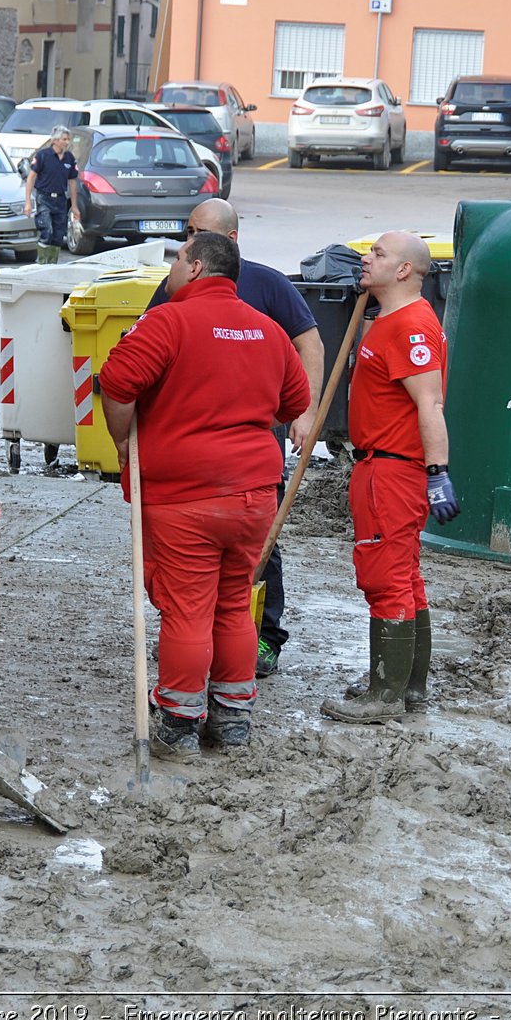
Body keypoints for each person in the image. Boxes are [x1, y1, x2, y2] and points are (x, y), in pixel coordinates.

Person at [100, 231, 309, 760]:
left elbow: (118, 385)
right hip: (253, 493)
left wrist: (123, 444)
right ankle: (233, 717)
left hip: (185, 495)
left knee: (188, 608)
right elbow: (293, 404)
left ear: (195, 268)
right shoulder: (268, 330)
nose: (170, 272)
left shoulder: (167, 321)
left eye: (176, 261)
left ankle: (179, 720)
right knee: (234, 602)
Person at [146, 199, 324, 680]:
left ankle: (265, 636)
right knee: (194, 565)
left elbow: (310, 342)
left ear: (231, 239)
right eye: (187, 231)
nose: (187, 242)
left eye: (199, 232)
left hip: (252, 450)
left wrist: (305, 414)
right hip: (192, 452)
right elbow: (141, 357)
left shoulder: (266, 284)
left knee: (261, 547)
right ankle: (199, 643)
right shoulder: (174, 286)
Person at [320, 232, 459, 725]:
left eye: (378, 254)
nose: (366, 258)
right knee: (405, 576)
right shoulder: (390, 319)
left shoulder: (411, 326)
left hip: (392, 470)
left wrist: (438, 472)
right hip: (385, 466)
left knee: (386, 578)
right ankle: (407, 687)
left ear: (404, 270)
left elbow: (431, 403)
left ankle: (385, 695)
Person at [21, 126, 80, 264]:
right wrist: (28, 202)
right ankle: (41, 263)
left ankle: (52, 264)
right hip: (44, 198)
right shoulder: (43, 155)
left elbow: (72, 182)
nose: (67, 142)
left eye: (68, 139)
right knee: (46, 231)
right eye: (64, 139)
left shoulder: (69, 158)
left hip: (60, 200)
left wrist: (75, 206)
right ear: (55, 140)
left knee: (59, 235)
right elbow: (31, 177)